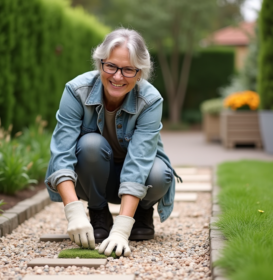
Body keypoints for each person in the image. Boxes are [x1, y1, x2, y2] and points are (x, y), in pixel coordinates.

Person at [45, 28, 181, 257]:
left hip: (137, 180)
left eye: (128, 69)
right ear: (100, 64)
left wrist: (122, 229)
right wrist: (73, 211)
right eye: (111, 66)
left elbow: (139, 162)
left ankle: (141, 215)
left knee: (160, 174)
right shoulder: (76, 91)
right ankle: (98, 213)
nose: (118, 77)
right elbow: (61, 153)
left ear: (140, 74)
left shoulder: (150, 100)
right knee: (90, 144)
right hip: (92, 179)